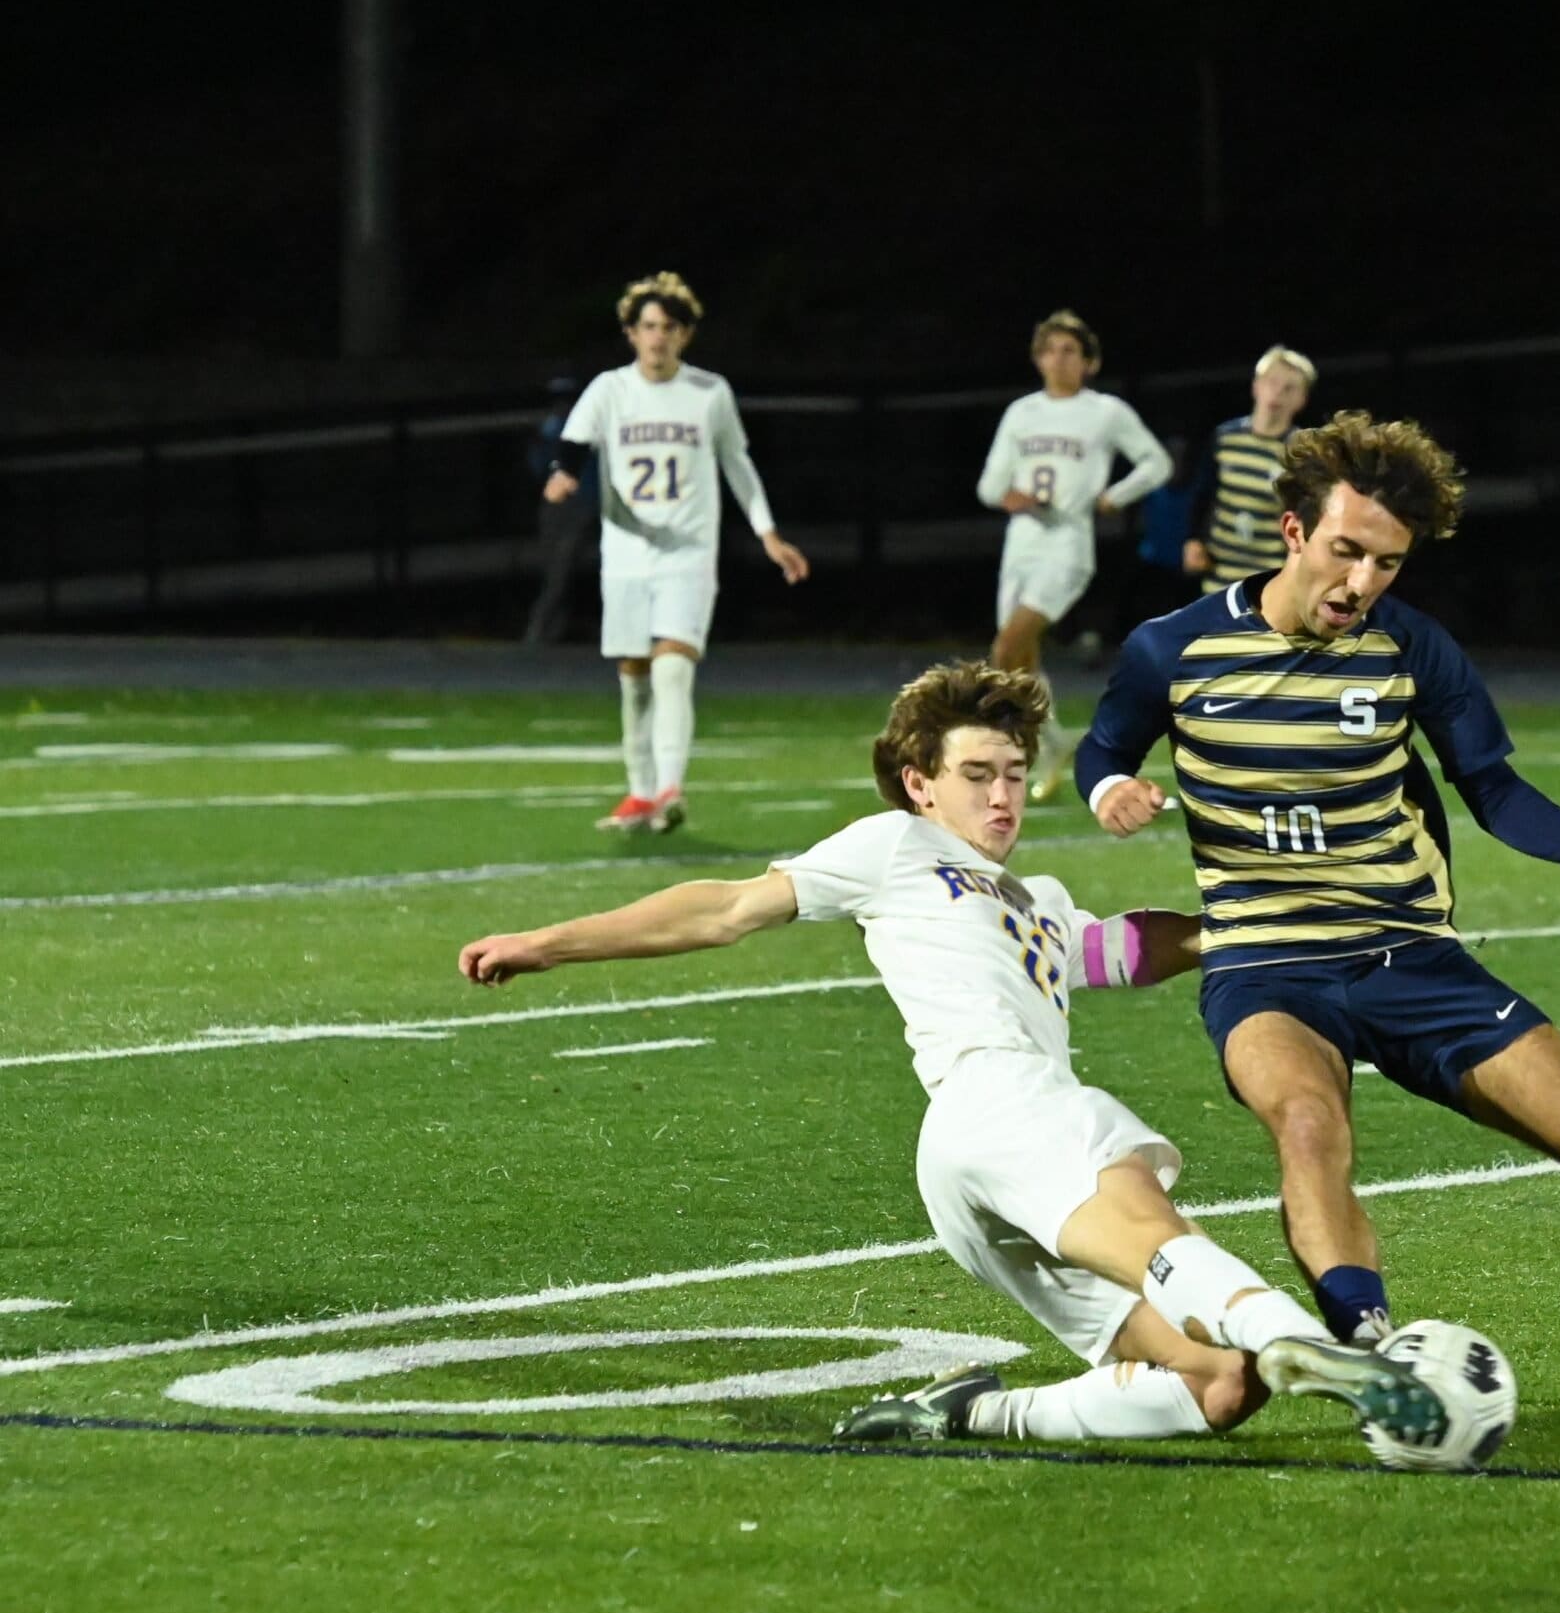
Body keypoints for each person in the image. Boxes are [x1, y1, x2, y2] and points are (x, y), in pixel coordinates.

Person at [456, 661, 1446, 1454]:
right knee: (1152, 1232)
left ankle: (966, 1414)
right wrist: (546, 943)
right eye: (977, 776)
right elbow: (723, 907)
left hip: (971, 1162)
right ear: (922, 783)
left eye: (1014, 774)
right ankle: (1316, 1349)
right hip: (998, 1098)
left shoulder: (1036, 900)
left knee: (1217, 1385)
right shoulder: (895, 845)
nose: (1003, 795)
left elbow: (1124, 949)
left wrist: (1243, 919)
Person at [1075, 411, 1560, 1424]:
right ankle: (1380, 1361)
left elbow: (1494, 789)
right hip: (1265, 967)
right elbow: (1102, 746)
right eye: (1346, 551)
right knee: (1307, 1123)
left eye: (1386, 562)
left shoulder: (1411, 648)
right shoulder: (1173, 649)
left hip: (1410, 957)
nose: (1361, 582)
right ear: (1293, 532)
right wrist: (1108, 788)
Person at [547, 271, 811, 835]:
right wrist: (563, 476)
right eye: (647, 327)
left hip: (688, 553)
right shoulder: (610, 389)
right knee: (635, 675)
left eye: (668, 327)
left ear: (685, 335)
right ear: (631, 333)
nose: (658, 337)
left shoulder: (709, 392)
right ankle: (641, 792)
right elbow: (574, 443)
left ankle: (669, 788)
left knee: (673, 668)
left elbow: (737, 463)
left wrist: (767, 532)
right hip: (627, 556)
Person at [975, 309, 1173, 800]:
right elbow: (989, 485)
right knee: (1019, 658)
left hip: (1067, 545)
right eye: (1050, 350)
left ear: (1090, 362)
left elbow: (1157, 462)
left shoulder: (1105, 412)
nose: (1058, 359)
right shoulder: (1022, 412)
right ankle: (1052, 743)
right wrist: (1011, 497)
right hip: (1020, 544)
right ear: (1037, 358)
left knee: (1006, 647)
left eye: (1070, 351)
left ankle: (1012, 753)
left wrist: (1114, 496)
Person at [1183, 345, 1317, 594]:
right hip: (1219, 574)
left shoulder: (1301, 451)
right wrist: (1193, 540)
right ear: (1256, 385)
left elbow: (1308, 514)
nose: (1278, 393)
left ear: (1302, 399)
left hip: (1270, 577)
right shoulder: (1226, 437)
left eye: (1290, 388)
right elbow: (1202, 493)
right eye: (1272, 382)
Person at [523, 375, 596, 646]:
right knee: (553, 569)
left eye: (567, 399)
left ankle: (539, 632)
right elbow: (538, 469)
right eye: (558, 399)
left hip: (580, 505)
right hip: (556, 506)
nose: (562, 405)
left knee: (562, 571)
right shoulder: (549, 429)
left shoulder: (585, 428)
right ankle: (552, 631)